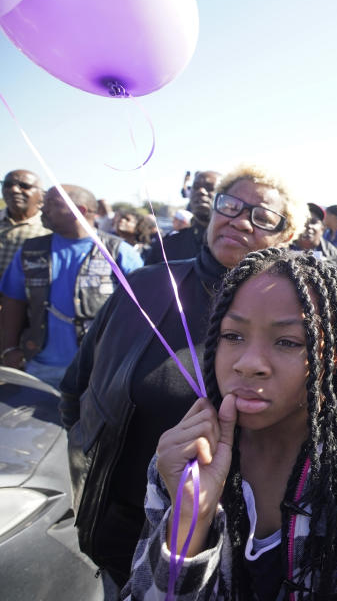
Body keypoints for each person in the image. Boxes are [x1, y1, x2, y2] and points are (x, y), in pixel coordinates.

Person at [59, 166, 304, 594]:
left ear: (286, 237)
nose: (241, 220)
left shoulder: (299, 316)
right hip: (116, 519)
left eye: (263, 217)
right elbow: (77, 387)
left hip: (221, 542)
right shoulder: (146, 287)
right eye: (231, 205)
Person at [121, 248, 337, 599]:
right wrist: (190, 520)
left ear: (332, 357)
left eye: (287, 342)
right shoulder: (183, 456)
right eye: (233, 336)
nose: (249, 364)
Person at [0, 185, 142, 387]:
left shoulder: (120, 252)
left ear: (80, 211)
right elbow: (14, 300)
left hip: (99, 370)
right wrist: (9, 349)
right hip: (39, 368)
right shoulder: (31, 251)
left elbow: (143, 309)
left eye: (52, 204)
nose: (43, 210)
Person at [144, 170, 221, 264]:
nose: (201, 191)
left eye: (209, 188)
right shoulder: (166, 247)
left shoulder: (238, 247)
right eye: (195, 187)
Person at [0, 169, 49, 278]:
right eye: (7, 185)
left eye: (24, 186)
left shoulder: (50, 228)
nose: (14, 190)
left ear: (42, 195)